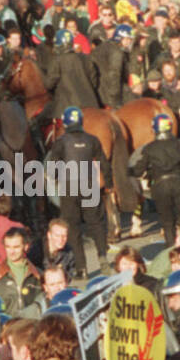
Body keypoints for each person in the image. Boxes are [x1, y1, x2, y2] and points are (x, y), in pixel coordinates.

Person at [45, 107, 111, 282]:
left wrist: (56, 178)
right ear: (81, 122)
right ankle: (103, 258)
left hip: (69, 187)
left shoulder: (60, 141)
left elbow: (52, 166)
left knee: (72, 227)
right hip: (90, 185)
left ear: (65, 123)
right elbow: (103, 163)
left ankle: (82, 268)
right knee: (96, 223)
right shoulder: (92, 140)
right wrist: (108, 185)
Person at [130, 114, 180, 246]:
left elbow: (138, 170)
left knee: (167, 221)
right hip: (179, 183)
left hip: (160, 185)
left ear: (154, 129)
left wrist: (129, 171)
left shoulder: (150, 148)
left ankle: (171, 248)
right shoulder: (179, 144)